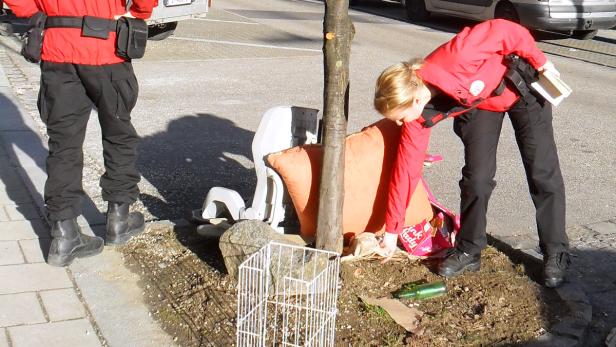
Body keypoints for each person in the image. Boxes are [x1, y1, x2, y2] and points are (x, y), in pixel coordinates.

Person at [374, 19, 570, 288]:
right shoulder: (417, 118)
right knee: (476, 178)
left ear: (416, 99)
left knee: (541, 171)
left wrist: (541, 62)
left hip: (519, 88)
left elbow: (506, 30)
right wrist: (392, 231)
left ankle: (555, 251)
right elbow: (406, 171)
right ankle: (469, 249)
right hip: (480, 106)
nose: (399, 123)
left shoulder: (458, 55)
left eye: (400, 117)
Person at [4, 0, 157, 267]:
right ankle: (118, 220)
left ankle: (64, 235)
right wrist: (140, 12)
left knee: (63, 144)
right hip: (107, 50)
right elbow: (144, 3)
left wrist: (38, 13)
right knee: (118, 134)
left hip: (58, 50)